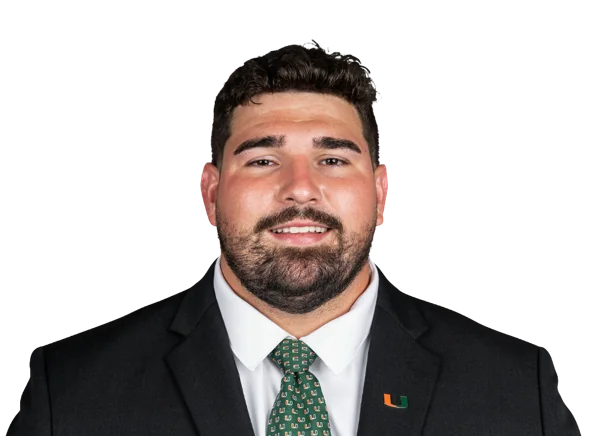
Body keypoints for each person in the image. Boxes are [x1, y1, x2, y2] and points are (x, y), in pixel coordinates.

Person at [4, 43, 578, 435]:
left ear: (381, 193)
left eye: (333, 158)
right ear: (210, 193)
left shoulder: (516, 389)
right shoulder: (73, 393)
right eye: (262, 160)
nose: (299, 189)